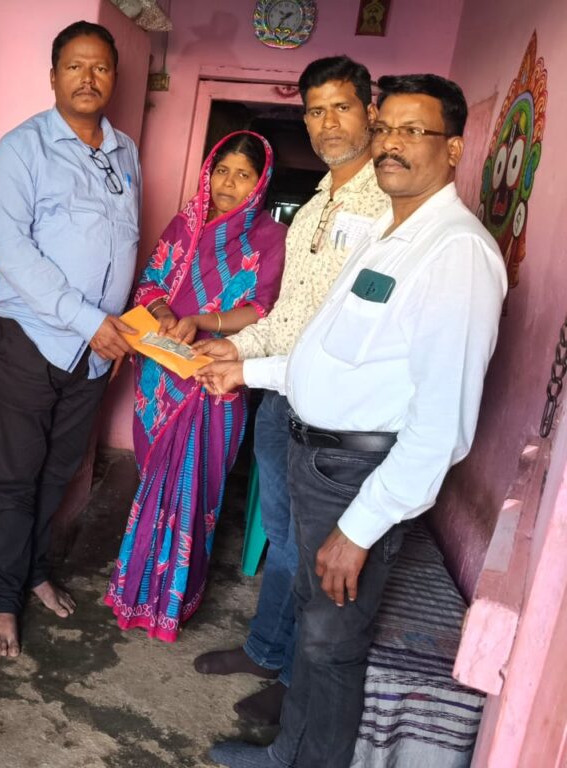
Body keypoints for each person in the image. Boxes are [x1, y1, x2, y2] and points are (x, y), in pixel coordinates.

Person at [199, 74, 506, 768]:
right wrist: (246, 370)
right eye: (388, 128)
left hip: (355, 474)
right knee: (315, 632)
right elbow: (329, 357)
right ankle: (286, 755)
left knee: (332, 647)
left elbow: (443, 428)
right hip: (318, 459)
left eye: (414, 131)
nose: (393, 144)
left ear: (454, 148)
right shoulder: (387, 232)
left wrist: (361, 528)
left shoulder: (456, 254)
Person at [190, 56, 390, 726]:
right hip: (281, 403)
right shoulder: (313, 208)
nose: (327, 123)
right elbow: (288, 319)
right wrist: (235, 348)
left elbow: (343, 339)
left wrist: (246, 367)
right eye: (315, 111)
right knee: (282, 536)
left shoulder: (387, 208)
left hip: (334, 419)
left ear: (370, 110)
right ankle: (267, 649)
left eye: (341, 107)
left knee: (316, 553)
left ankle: (295, 680)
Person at [0, 21, 141, 657]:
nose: (87, 78)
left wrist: (119, 324)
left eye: (100, 67)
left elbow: (121, 245)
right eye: (74, 66)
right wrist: (88, 320)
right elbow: (10, 249)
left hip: (96, 349)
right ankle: (3, 600)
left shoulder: (125, 153)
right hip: (28, 334)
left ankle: (35, 571)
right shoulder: (21, 149)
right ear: (53, 77)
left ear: (114, 78)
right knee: (17, 476)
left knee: (57, 474)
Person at [105, 131, 286, 641]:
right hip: (160, 373)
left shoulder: (270, 238)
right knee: (153, 480)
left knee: (192, 491)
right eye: (222, 170)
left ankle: (170, 600)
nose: (229, 183)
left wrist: (203, 322)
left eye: (243, 174)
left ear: (261, 183)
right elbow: (150, 283)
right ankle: (136, 588)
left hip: (214, 376)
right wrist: (165, 312)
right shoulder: (184, 226)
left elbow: (263, 311)